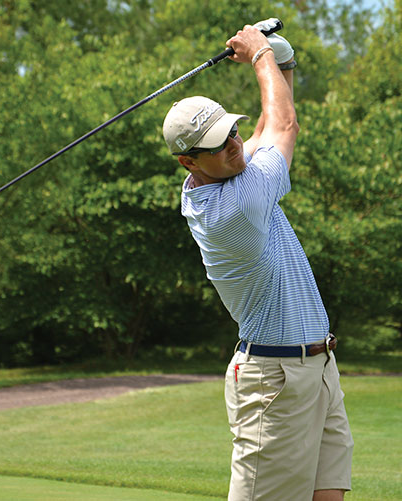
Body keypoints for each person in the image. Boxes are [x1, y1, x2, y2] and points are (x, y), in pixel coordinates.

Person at [162, 20, 354, 501]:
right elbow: (284, 125)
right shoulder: (233, 207)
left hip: (318, 366)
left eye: (233, 133)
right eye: (219, 146)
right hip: (274, 379)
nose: (234, 146)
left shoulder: (229, 172)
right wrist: (261, 55)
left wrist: (282, 65)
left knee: (328, 494)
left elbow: (270, 123)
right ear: (188, 162)